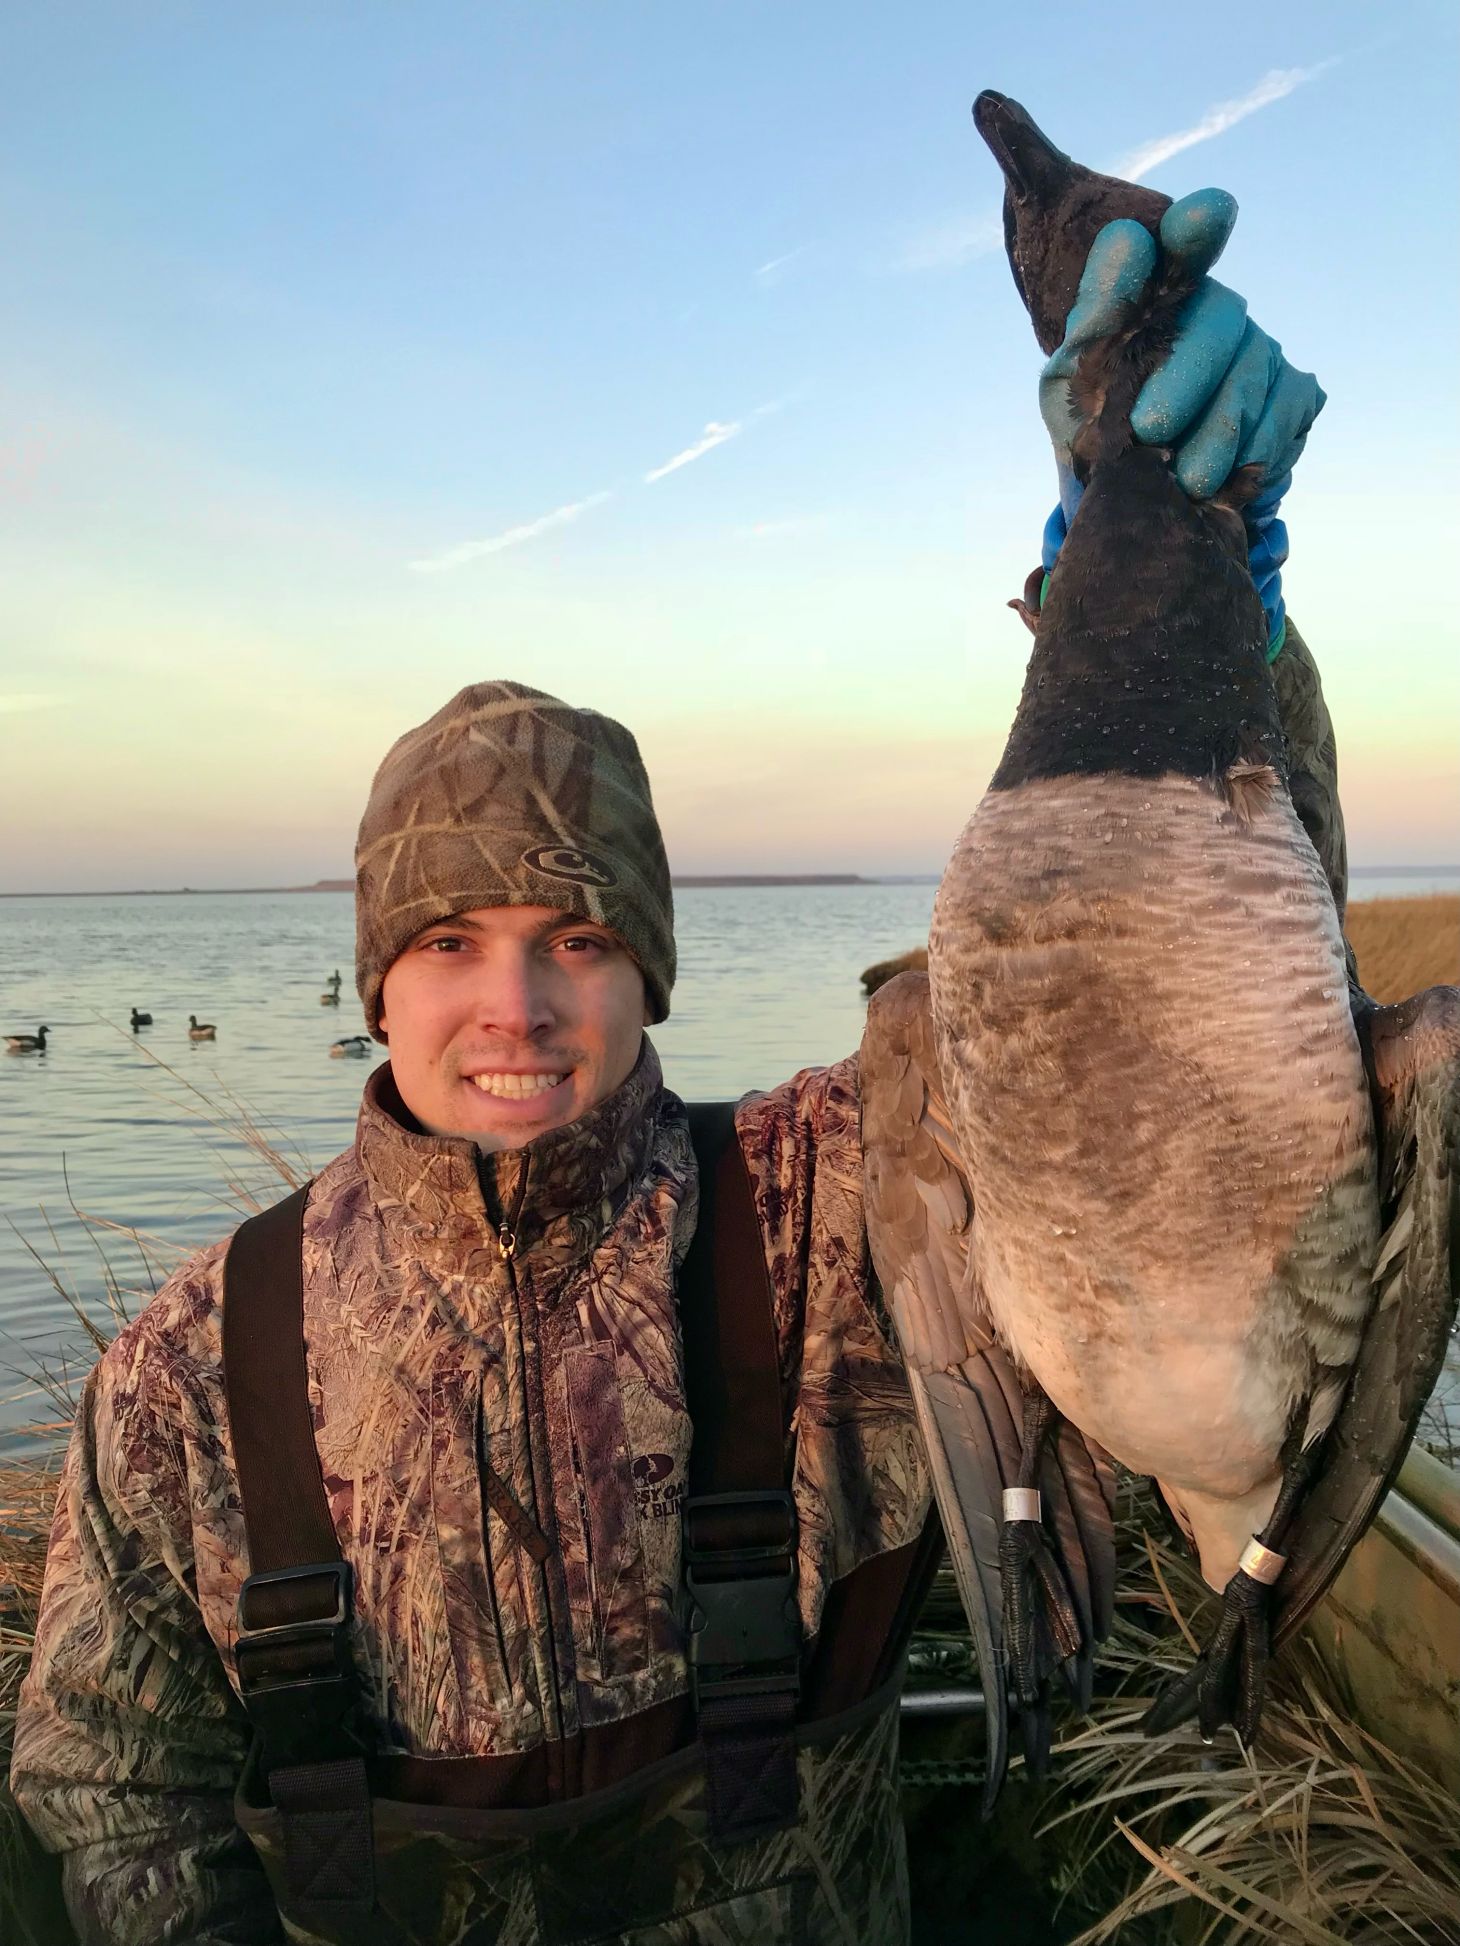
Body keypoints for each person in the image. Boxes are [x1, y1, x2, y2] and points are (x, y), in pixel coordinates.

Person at [10, 206, 1346, 1945]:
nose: (515, 1005)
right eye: (448, 944)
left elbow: (1181, 1054)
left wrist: (1169, 607)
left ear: (647, 961)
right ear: (375, 979)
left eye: (574, 937)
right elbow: (112, 1790)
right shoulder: (190, 1372)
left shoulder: (854, 1208)